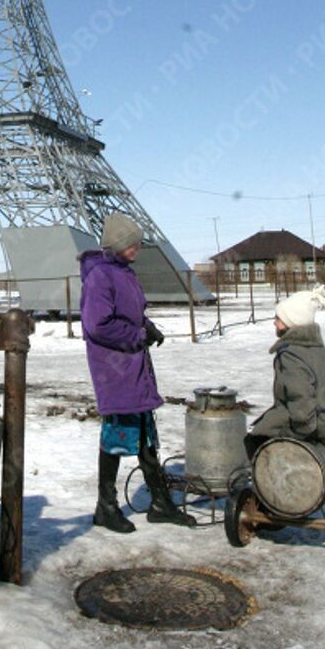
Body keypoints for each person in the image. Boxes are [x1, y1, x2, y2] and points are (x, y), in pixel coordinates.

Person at [79, 211, 195, 533]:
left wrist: (148, 326)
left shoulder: (124, 272)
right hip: (114, 368)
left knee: (145, 432)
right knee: (117, 433)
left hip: (134, 366)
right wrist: (137, 336)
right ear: (118, 244)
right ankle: (105, 506)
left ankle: (160, 502)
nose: (137, 249)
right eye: (133, 244)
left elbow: (130, 314)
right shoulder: (100, 275)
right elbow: (97, 324)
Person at [246, 284, 325, 460]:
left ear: (291, 322)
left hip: (307, 429)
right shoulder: (315, 348)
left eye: (278, 318)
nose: (274, 322)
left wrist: (290, 437)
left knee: (250, 444)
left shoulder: (292, 356)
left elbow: (301, 404)